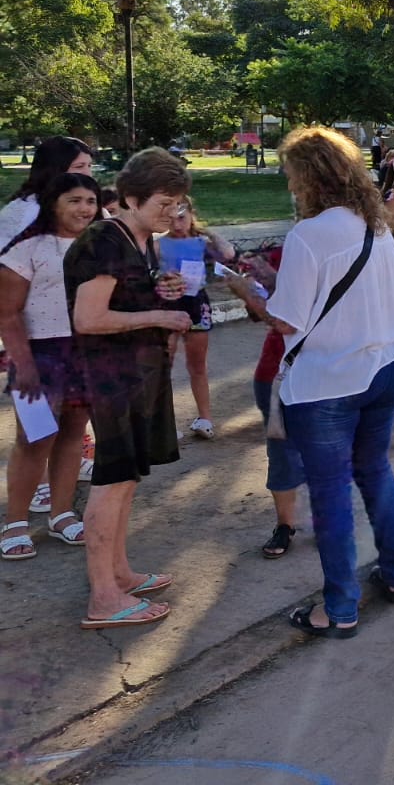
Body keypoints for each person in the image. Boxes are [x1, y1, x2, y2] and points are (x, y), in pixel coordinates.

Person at [264, 127, 394, 636]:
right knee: (374, 470)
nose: (289, 185)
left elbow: (286, 320)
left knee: (331, 492)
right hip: (390, 366)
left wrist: (248, 290)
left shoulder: (308, 236)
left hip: (332, 378)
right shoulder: (374, 225)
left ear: (309, 177)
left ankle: (340, 608)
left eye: (291, 175)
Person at [64, 149, 194, 630]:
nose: (172, 214)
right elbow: (89, 317)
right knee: (112, 479)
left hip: (140, 376)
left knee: (128, 479)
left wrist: (163, 289)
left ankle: (119, 571)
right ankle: (103, 597)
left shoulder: (140, 240)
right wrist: (160, 314)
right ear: (131, 197)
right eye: (164, 203)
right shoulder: (104, 240)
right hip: (112, 380)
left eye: (178, 204)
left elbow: (127, 297)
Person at [1, 173, 102, 562]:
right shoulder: (28, 248)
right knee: (34, 439)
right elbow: (7, 314)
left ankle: (61, 513)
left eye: (90, 201)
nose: (84, 209)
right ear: (53, 203)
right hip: (40, 354)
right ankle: (15, 522)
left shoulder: (97, 246)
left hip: (87, 352)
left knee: (74, 432)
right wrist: (23, 366)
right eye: (74, 200)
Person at [221, 242, 307, 558]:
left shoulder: (348, 250)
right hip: (277, 371)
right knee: (282, 451)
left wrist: (247, 293)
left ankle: (326, 518)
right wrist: (259, 281)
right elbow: (264, 318)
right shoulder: (287, 248)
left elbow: (286, 322)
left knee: (324, 451)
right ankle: (285, 524)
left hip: (318, 372)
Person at [156, 198, 235, 440]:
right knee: (163, 365)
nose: (177, 224)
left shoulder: (201, 242)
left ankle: (205, 418)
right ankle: (164, 422)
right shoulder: (159, 244)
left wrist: (207, 230)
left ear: (191, 214)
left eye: (182, 217)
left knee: (197, 364)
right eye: (172, 218)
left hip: (196, 303)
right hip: (168, 302)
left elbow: (228, 253)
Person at [0, 136, 95, 251]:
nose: (88, 174)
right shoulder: (30, 211)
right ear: (54, 170)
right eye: (79, 167)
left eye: (89, 166)